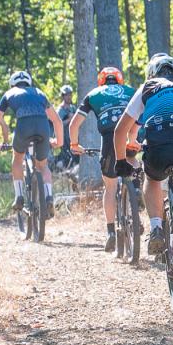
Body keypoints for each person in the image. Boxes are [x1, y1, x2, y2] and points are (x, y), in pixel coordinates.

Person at [112, 53, 173, 302]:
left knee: (153, 178)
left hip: (160, 147)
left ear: (152, 73)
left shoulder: (149, 87)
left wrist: (121, 161)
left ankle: (156, 226)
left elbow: (121, 130)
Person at [68, 66, 138, 251]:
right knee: (133, 161)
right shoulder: (131, 90)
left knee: (110, 185)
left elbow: (74, 124)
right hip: (131, 132)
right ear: (119, 80)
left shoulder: (93, 94)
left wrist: (75, 144)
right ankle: (136, 193)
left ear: (101, 81)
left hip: (109, 137)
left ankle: (111, 232)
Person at [0, 70, 64, 219]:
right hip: (43, 127)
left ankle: (19, 196)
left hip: (23, 127)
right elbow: (56, 120)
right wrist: (59, 141)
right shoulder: (39, 92)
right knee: (43, 165)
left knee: (17, 159)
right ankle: (49, 196)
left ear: (12, 84)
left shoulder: (9, 94)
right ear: (29, 83)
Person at [55, 84, 77, 170]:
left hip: (73, 139)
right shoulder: (60, 110)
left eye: (70, 94)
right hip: (63, 140)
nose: (69, 97)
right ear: (63, 96)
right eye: (66, 95)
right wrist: (69, 119)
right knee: (63, 160)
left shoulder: (73, 108)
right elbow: (57, 125)